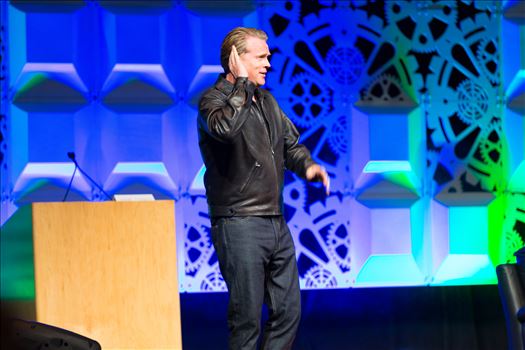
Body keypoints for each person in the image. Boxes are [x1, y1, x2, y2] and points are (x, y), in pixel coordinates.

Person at [197, 27, 330, 350]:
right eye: (260, 57)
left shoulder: (267, 101)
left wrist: (308, 165)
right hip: (238, 222)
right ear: (235, 61)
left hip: (275, 221)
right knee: (246, 320)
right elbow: (226, 130)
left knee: (288, 312)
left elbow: (291, 144)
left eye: (268, 56)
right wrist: (241, 83)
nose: (268, 63)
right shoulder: (212, 101)